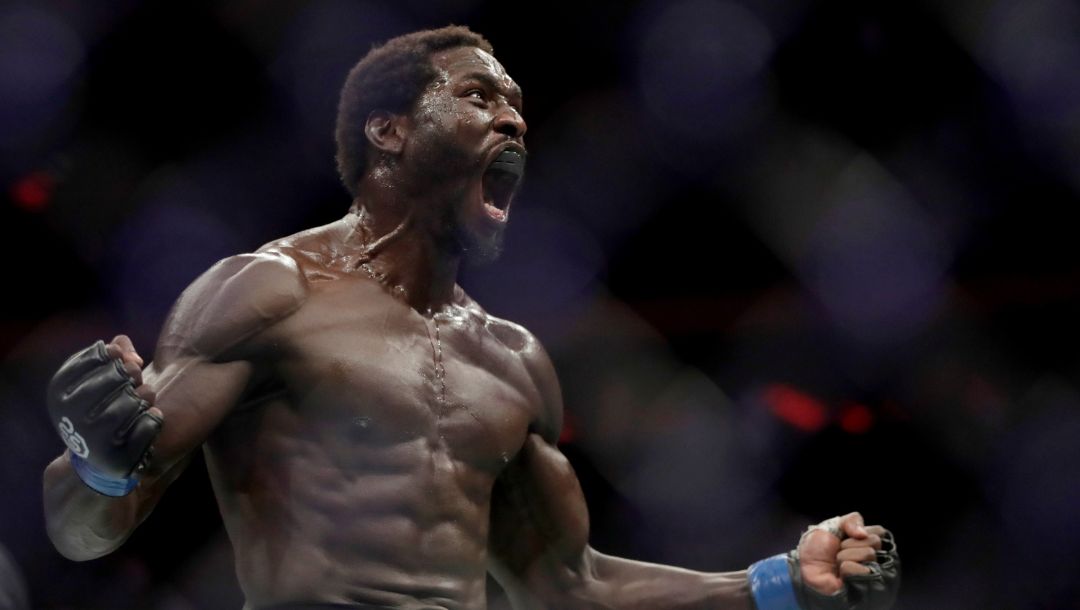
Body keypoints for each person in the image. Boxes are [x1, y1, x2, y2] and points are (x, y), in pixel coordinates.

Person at [42, 26, 898, 610]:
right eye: (479, 95)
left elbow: (569, 588)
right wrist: (101, 465)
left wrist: (775, 582)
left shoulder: (513, 360)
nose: (514, 116)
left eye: (517, 101)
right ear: (389, 130)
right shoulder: (269, 292)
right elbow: (84, 532)